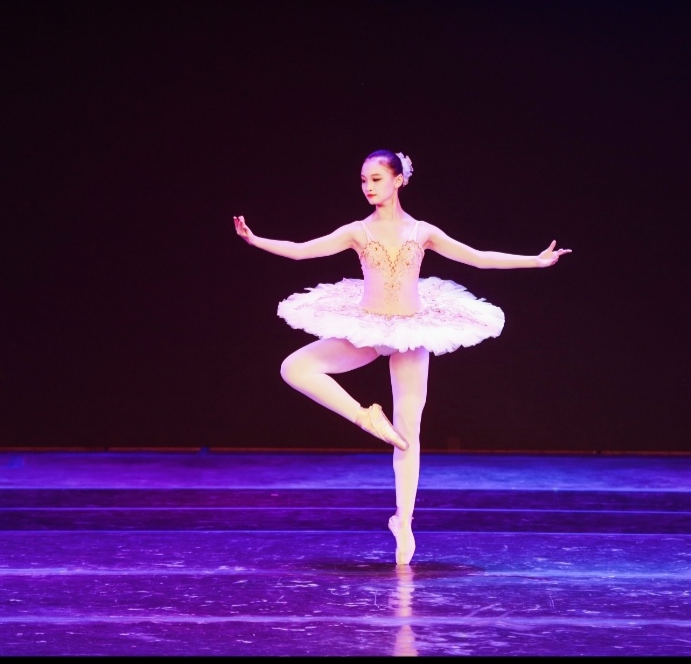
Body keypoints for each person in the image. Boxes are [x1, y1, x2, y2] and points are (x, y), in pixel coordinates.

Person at [233, 149, 570, 565]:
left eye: (376, 179)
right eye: (363, 180)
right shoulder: (358, 231)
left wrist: (536, 261)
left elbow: (478, 257)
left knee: (409, 430)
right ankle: (365, 417)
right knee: (295, 367)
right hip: (369, 328)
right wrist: (255, 239)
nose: (368, 187)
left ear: (398, 181)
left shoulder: (422, 231)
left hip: (411, 332)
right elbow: (303, 250)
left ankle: (404, 522)